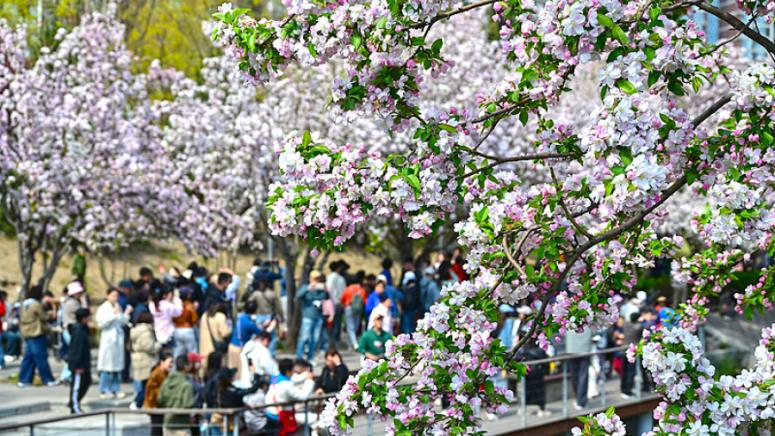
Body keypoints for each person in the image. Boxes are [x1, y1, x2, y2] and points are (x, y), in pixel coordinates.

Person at [18, 285, 58, 387]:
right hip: (36, 333)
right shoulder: (35, 304)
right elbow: (44, 317)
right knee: (41, 357)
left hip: (27, 332)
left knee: (29, 358)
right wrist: (53, 309)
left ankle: (24, 379)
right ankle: (48, 379)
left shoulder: (25, 304)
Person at [96, 287, 132, 399]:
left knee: (117, 366)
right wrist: (112, 314)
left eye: (117, 296)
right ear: (108, 295)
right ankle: (104, 389)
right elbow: (101, 324)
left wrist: (126, 314)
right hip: (108, 339)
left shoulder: (118, 306)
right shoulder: (103, 308)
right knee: (106, 366)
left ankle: (115, 389)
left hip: (118, 339)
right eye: (113, 295)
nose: (115, 298)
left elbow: (122, 322)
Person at [265, 358, 315, 435]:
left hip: (269, 413)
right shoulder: (286, 386)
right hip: (280, 417)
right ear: (288, 371)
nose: (294, 372)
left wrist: (305, 374)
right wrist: (309, 380)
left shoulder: (275, 376)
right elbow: (303, 396)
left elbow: (293, 378)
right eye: (293, 370)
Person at [130, 311, 162, 410]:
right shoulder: (145, 332)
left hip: (139, 360)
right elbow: (149, 347)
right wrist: (159, 345)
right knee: (148, 385)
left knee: (146, 384)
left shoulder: (135, 330)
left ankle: (143, 402)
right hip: (147, 361)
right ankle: (137, 402)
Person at [295, 271, 329, 361]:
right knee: (304, 337)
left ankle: (310, 358)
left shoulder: (321, 289)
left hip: (318, 317)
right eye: (315, 278)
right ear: (310, 279)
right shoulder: (306, 287)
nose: (317, 280)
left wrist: (325, 290)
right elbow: (298, 295)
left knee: (315, 339)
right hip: (308, 317)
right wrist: (309, 288)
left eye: (318, 278)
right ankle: (299, 357)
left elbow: (327, 297)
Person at [157, 355, 196, 435]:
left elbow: (160, 399)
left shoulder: (166, 381)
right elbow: (188, 405)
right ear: (186, 367)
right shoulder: (186, 385)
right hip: (181, 425)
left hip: (167, 423)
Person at [59, 281, 87, 382]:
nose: (80, 294)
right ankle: (67, 374)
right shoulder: (72, 303)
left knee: (73, 352)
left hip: (69, 329)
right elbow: (84, 312)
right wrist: (84, 302)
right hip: (72, 330)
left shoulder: (68, 302)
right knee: (74, 353)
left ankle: (67, 373)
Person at [248, 278, 284, 355]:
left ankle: (256, 352)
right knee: (271, 337)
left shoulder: (256, 294)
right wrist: (281, 317)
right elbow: (278, 307)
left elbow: (249, 302)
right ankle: (271, 354)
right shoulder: (272, 294)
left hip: (259, 316)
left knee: (258, 335)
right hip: (270, 317)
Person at [228, 300, 262, 377]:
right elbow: (261, 333)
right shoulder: (250, 324)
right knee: (240, 373)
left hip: (232, 346)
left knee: (232, 371)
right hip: (240, 348)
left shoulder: (240, 317)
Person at [67, 308, 92, 414]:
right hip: (79, 364)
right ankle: (74, 405)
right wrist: (78, 365)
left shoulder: (83, 329)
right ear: (83, 318)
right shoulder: (78, 332)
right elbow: (76, 350)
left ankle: (73, 402)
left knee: (86, 382)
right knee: (77, 385)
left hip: (84, 363)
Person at [145, 352, 175, 436]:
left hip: (161, 407)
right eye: (170, 362)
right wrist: (153, 405)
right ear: (162, 362)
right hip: (156, 408)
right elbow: (150, 392)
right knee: (156, 431)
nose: (171, 365)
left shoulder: (166, 373)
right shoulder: (156, 374)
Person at [199, 302, 232, 375]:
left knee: (204, 367)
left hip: (204, 347)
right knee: (215, 368)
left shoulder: (204, 315)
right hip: (215, 347)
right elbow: (225, 333)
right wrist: (230, 325)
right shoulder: (220, 316)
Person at [565, 329, 593, 410]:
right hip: (585, 349)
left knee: (575, 376)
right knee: (583, 376)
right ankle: (581, 401)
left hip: (571, 349)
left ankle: (579, 399)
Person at [340, 272, 367, 349]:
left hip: (348, 308)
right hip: (358, 309)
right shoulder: (362, 290)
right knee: (355, 326)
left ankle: (354, 344)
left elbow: (342, 299)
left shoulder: (347, 289)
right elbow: (365, 301)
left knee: (350, 327)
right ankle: (351, 343)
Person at [326, 260, 348, 345]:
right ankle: (335, 340)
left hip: (331, 302)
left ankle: (332, 339)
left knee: (332, 322)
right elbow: (342, 291)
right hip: (337, 302)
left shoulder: (329, 277)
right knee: (336, 323)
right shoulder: (338, 278)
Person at [620, 312, 642, 398]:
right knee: (630, 371)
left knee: (624, 370)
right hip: (632, 351)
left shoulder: (626, 325)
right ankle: (627, 390)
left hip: (623, 349)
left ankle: (623, 389)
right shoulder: (639, 327)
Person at [172, 288, 198, 358]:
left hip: (177, 329)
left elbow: (173, 318)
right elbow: (194, 319)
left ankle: (175, 366)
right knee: (192, 351)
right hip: (187, 329)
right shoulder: (189, 305)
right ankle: (193, 367)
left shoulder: (176, 305)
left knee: (178, 351)